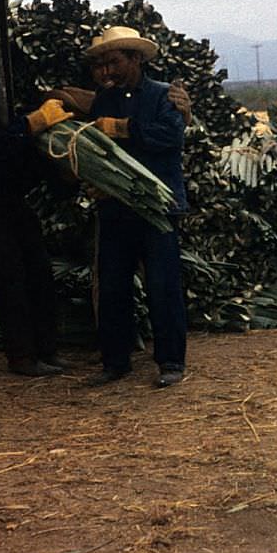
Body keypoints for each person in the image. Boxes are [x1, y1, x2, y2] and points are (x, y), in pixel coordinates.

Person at [59, 26, 190, 389]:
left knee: (162, 285)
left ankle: (171, 362)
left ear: (135, 59)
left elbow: (171, 137)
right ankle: (115, 362)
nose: (106, 72)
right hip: (115, 205)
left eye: (113, 63)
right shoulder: (103, 100)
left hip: (158, 206)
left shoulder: (166, 96)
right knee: (113, 285)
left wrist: (125, 128)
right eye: (100, 66)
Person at [0, 97, 76, 378]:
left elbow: (59, 189)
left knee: (40, 272)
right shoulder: (27, 121)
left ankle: (47, 351)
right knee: (9, 276)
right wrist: (33, 123)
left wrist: (74, 176)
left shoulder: (65, 138)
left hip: (14, 201)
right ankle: (21, 356)